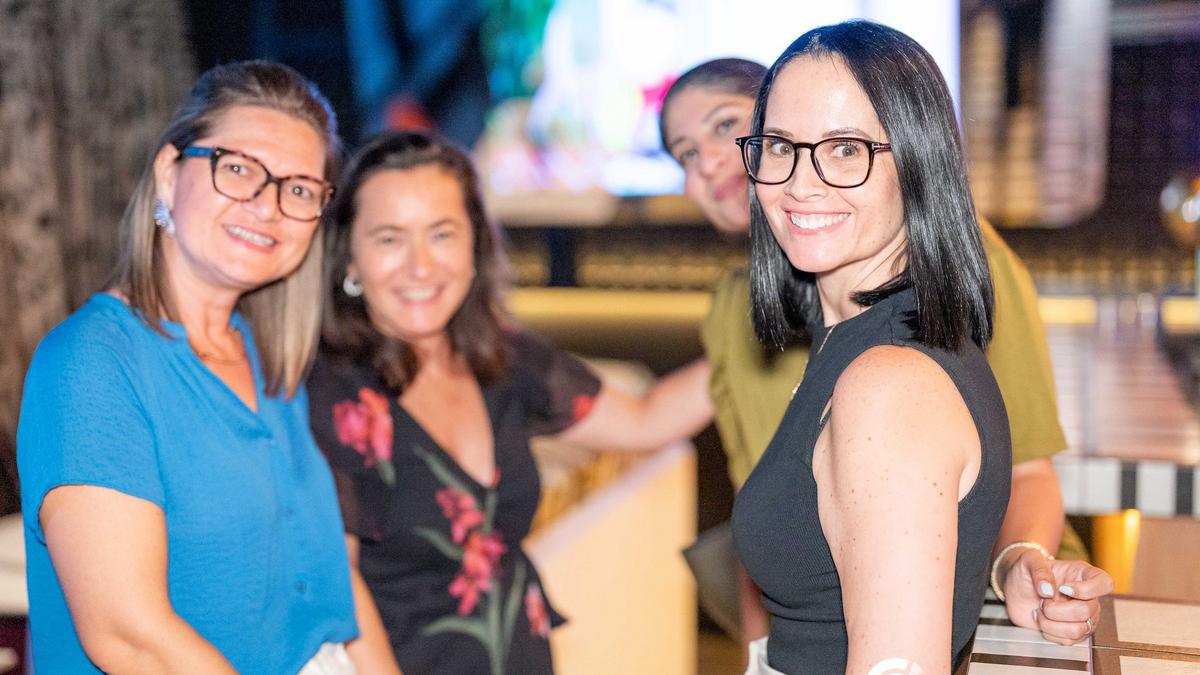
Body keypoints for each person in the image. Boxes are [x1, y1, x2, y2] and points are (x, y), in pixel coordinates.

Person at [659, 57, 1113, 651]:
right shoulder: (746, 304)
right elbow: (761, 508)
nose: (708, 163)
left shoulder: (942, 277)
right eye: (685, 154)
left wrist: (1016, 563)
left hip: (990, 611)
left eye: (725, 127)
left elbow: (1025, 468)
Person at [17, 61, 393, 673]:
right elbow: (130, 636)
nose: (268, 206)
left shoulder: (265, 358)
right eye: (238, 168)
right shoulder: (93, 363)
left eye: (299, 189)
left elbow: (336, 593)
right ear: (169, 173)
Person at [306, 130, 712, 674]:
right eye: (389, 239)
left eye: (441, 234)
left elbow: (646, 419)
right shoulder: (336, 392)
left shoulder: (500, 358)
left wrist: (780, 325)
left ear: (475, 246)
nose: (420, 265)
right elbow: (340, 581)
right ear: (350, 261)